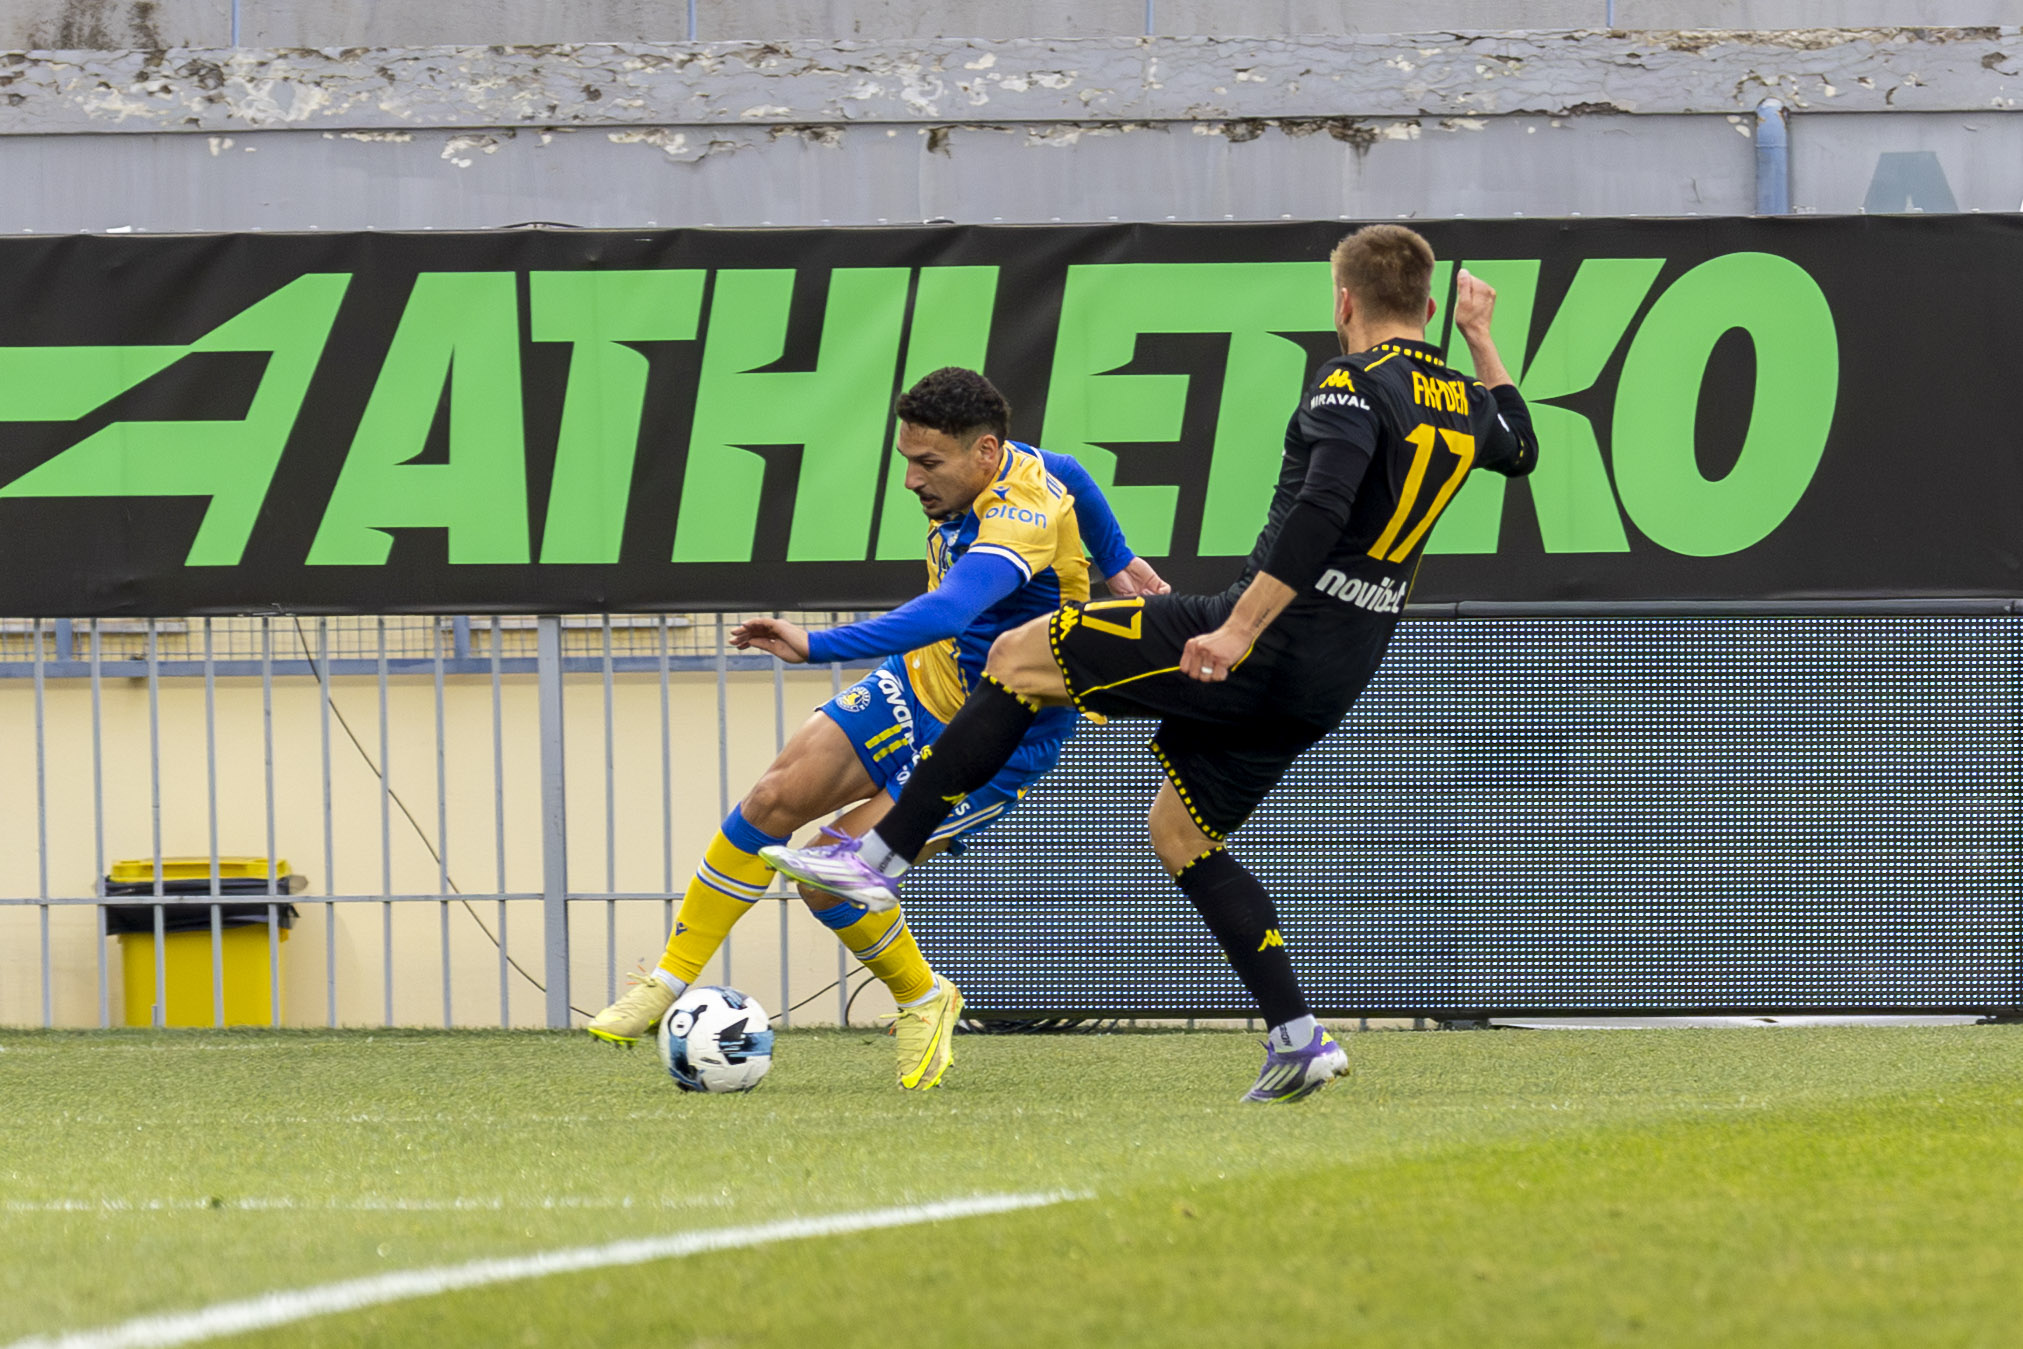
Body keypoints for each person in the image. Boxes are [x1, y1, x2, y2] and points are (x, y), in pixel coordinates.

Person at [763, 226, 1539, 1103]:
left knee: (1018, 652)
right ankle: (1297, 1035)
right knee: (1180, 834)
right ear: (1430, 306)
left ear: (1343, 301)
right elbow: (1519, 446)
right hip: (1335, 671)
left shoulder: (1348, 385)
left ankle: (877, 856)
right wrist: (1480, 339)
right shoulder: (1459, 399)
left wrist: (1238, 629)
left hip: (1262, 637)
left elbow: (1319, 511)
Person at [585, 366, 1167, 1091]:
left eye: (929, 463)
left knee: (830, 878)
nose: (912, 480)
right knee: (772, 799)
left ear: (985, 452)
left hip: (996, 735)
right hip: (918, 683)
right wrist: (1118, 560)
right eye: (907, 460)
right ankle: (669, 981)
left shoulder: (1020, 517)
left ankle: (924, 997)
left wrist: (814, 644)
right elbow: (1071, 470)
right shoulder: (1025, 465)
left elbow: (950, 611)